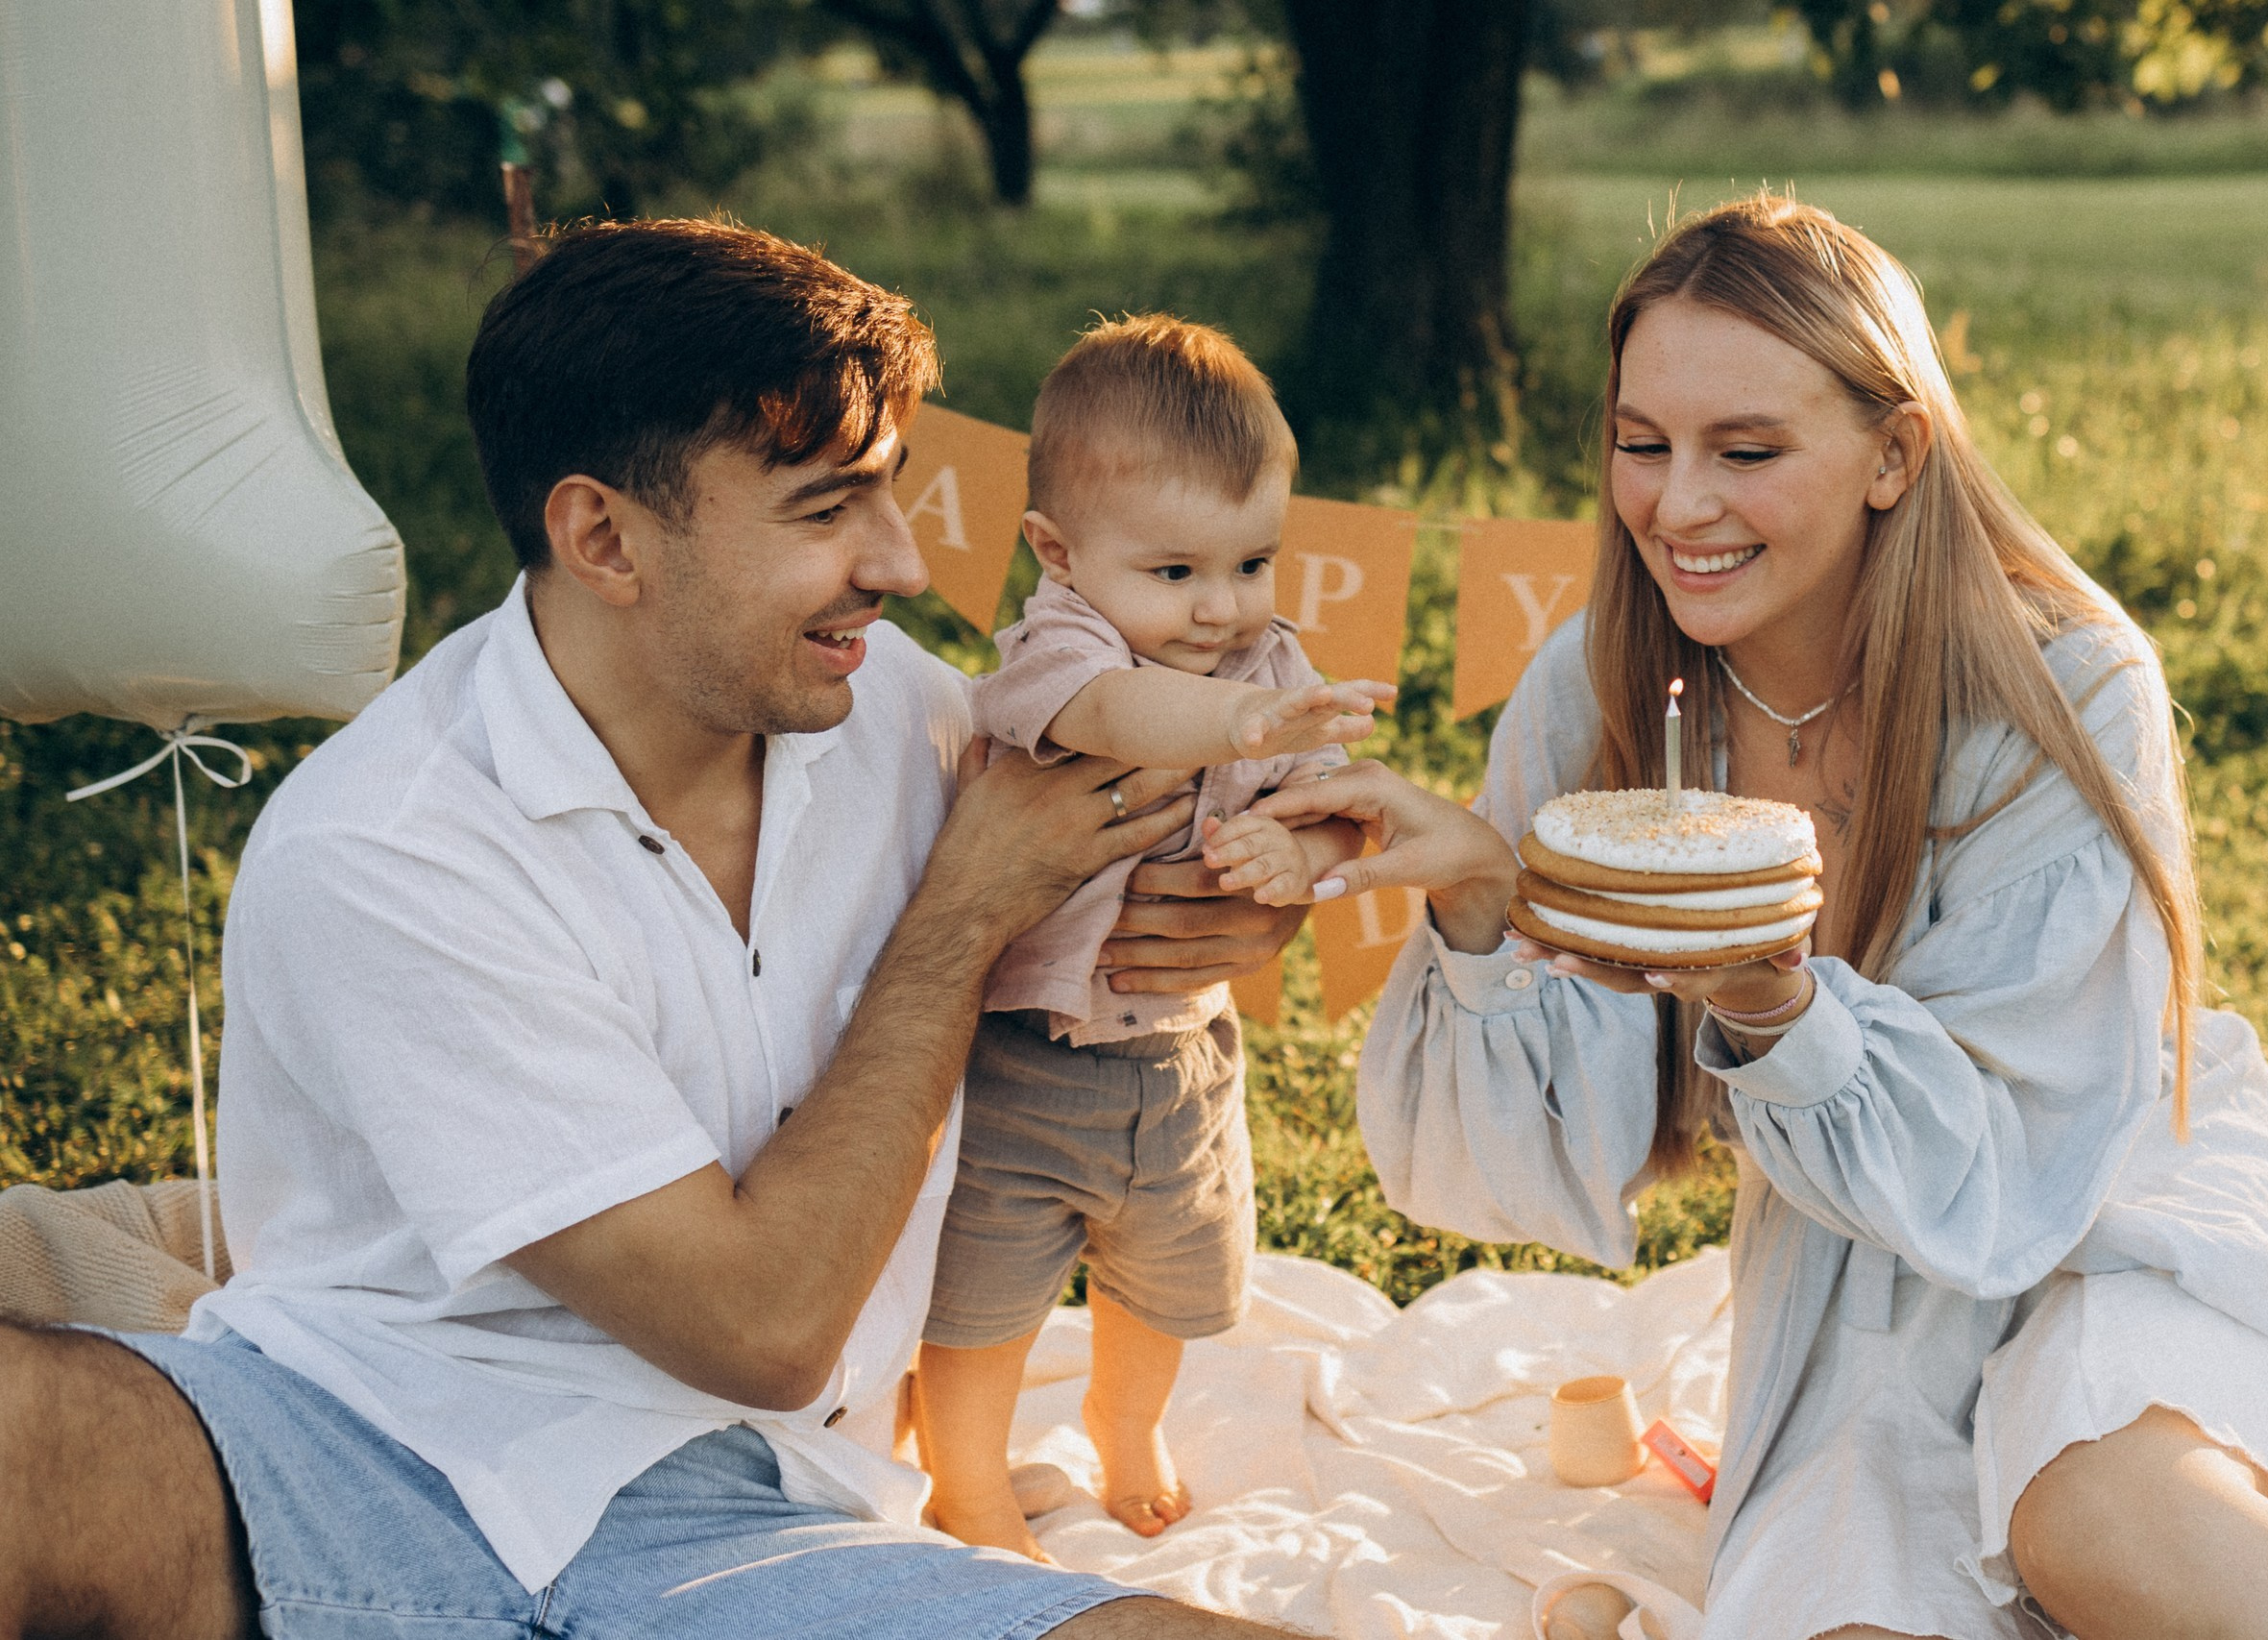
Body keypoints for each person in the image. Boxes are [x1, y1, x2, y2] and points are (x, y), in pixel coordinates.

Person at [0, 219, 1321, 1640]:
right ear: (604, 538)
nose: (904, 567)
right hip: (348, 1448)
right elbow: (755, 1324)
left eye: (891, 497)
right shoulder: (388, 849)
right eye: (827, 513)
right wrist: (962, 917)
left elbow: (1164, 901)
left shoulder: (906, 718)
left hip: (753, 1526)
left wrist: (1224, 925)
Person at [1252, 193, 2268, 1640]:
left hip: (2110, 1208)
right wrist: (1481, 905)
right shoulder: (1596, 691)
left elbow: (2014, 1164)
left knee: (2104, 1521)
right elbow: (1510, 1178)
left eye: (1745, 451)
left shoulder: (2064, 693)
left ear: (1895, 452)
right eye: (1643, 444)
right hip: (1851, 1287)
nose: (1676, 505)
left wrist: (1772, 1001)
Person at [915, 316, 1383, 1561]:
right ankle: (963, 1480)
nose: (1220, 609)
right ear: (1059, 553)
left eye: (1252, 564)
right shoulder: (1060, 648)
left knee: (1163, 1278)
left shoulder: (1265, 663)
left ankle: (1127, 1429)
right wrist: (1247, 726)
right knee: (983, 1296)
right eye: (1174, 573)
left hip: (1185, 1058)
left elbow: (1343, 814)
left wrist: (1305, 857)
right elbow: (1124, 711)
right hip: (1030, 1059)